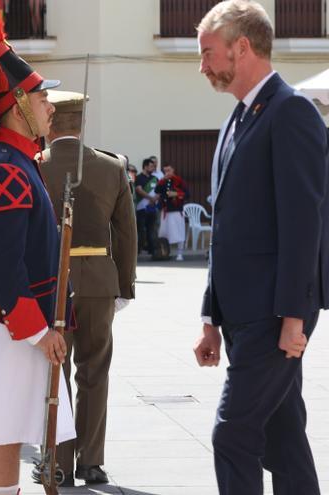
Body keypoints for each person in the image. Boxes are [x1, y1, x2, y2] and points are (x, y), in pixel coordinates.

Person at [193, 2, 329, 495]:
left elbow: (302, 223)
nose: (202, 64)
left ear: (242, 47)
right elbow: (227, 228)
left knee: (232, 435)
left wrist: (295, 315)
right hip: (245, 314)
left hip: (274, 317)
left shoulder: (290, 112)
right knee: (283, 436)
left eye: (208, 52)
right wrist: (211, 317)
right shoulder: (239, 118)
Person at [0, 1, 76, 492]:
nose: (50, 106)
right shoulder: (6, 168)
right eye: (42, 98)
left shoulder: (14, 161)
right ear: (19, 105)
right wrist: (36, 330)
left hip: (10, 325)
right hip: (14, 326)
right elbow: (3, 266)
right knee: (4, 435)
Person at [40, 90, 138, 487]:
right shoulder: (112, 167)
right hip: (99, 279)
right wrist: (125, 286)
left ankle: (58, 462)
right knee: (94, 370)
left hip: (52, 282)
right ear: (81, 123)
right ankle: (92, 463)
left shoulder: (35, 165)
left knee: (54, 373)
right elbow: (127, 233)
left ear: (50, 121)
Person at [154, 163, 188, 261]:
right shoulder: (163, 181)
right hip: (165, 211)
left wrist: (176, 194)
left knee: (179, 233)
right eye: (165, 171)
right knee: (164, 233)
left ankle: (180, 254)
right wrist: (162, 180)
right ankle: (165, 253)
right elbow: (157, 191)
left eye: (169, 170)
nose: (167, 173)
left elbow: (187, 194)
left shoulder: (179, 181)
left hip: (176, 211)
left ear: (173, 170)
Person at [134, 159, 158, 255]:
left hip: (152, 208)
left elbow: (159, 190)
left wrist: (155, 198)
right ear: (145, 166)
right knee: (141, 230)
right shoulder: (139, 177)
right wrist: (150, 198)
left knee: (151, 229)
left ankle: (152, 250)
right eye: (151, 166)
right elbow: (139, 190)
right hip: (142, 208)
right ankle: (138, 251)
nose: (153, 168)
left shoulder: (155, 178)